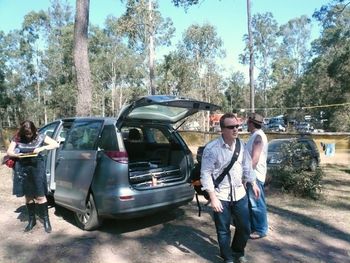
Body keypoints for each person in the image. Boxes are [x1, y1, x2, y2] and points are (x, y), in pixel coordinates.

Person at [200, 113, 260, 263]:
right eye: (231, 127)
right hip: (221, 196)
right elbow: (205, 174)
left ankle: (237, 251)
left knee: (245, 227)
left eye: (237, 126)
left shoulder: (241, 145)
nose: (235, 129)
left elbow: (247, 166)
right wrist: (213, 198)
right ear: (222, 129)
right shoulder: (212, 149)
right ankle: (228, 258)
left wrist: (253, 183)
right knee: (223, 230)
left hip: (240, 194)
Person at [6, 120, 59, 233]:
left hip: (37, 167)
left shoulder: (40, 136)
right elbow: (9, 151)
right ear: (23, 132)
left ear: (34, 130)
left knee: (40, 195)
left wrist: (42, 148)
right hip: (23, 168)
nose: (29, 136)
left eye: (30, 133)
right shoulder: (17, 137)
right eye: (27, 134)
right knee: (28, 196)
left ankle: (46, 221)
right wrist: (16, 154)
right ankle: (32, 220)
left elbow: (55, 144)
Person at [244, 113, 269, 240]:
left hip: (255, 175)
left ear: (251, 123)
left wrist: (248, 176)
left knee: (256, 203)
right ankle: (255, 227)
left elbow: (255, 159)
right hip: (253, 175)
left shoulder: (258, 136)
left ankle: (261, 229)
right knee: (252, 203)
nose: (246, 124)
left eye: (248, 122)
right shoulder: (255, 136)